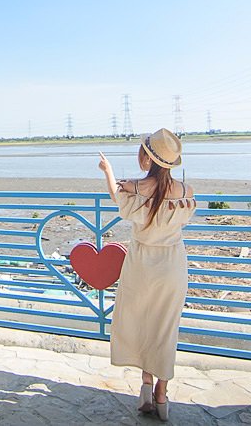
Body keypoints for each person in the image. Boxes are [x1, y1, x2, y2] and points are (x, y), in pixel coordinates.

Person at [98, 128, 195, 422]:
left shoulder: (136, 189)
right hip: (172, 266)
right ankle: (162, 395)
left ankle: (145, 387)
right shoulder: (185, 193)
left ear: (146, 157)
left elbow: (117, 194)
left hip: (141, 265)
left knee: (142, 322)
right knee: (166, 327)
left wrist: (108, 170)